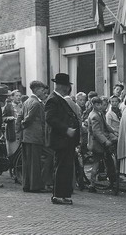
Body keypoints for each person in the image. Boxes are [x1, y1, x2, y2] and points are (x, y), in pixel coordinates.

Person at [45, 73, 80, 205]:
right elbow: (50, 118)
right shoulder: (53, 99)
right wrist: (66, 129)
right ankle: (58, 195)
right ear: (63, 87)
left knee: (65, 167)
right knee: (61, 167)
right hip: (61, 139)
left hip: (66, 140)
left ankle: (64, 194)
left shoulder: (59, 99)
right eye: (67, 86)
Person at [18, 81, 49, 193]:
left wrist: (21, 128)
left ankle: (27, 185)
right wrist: (23, 124)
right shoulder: (36, 103)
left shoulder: (27, 101)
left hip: (27, 136)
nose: (43, 91)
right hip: (35, 137)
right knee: (35, 163)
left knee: (27, 163)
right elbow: (28, 119)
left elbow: (20, 116)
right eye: (41, 89)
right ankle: (35, 186)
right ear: (36, 90)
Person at [87, 96, 117, 191]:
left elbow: (106, 125)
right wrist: (105, 141)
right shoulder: (94, 116)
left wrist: (113, 131)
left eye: (100, 104)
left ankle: (111, 180)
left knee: (106, 161)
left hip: (101, 142)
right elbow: (96, 132)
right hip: (97, 143)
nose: (100, 106)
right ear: (93, 105)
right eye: (97, 104)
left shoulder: (100, 114)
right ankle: (92, 184)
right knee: (96, 163)